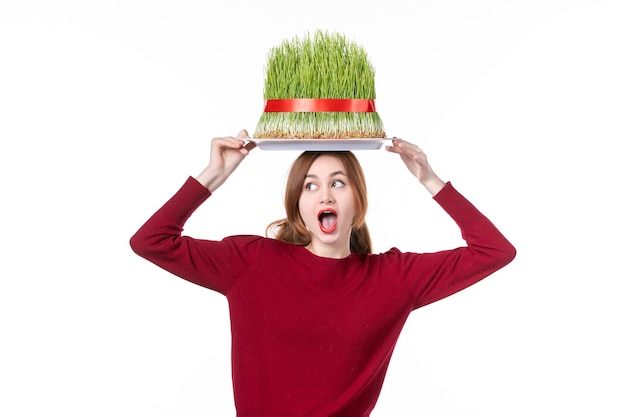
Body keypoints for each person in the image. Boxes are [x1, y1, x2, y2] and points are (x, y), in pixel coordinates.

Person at [130, 129, 516, 417]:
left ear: (357, 202)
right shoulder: (251, 262)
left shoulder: (394, 278)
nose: (325, 196)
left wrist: (430, 180)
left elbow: (494, 250)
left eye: (337, 183)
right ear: (299, 206)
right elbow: (151, 241)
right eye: (310, 186)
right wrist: (214, 174)